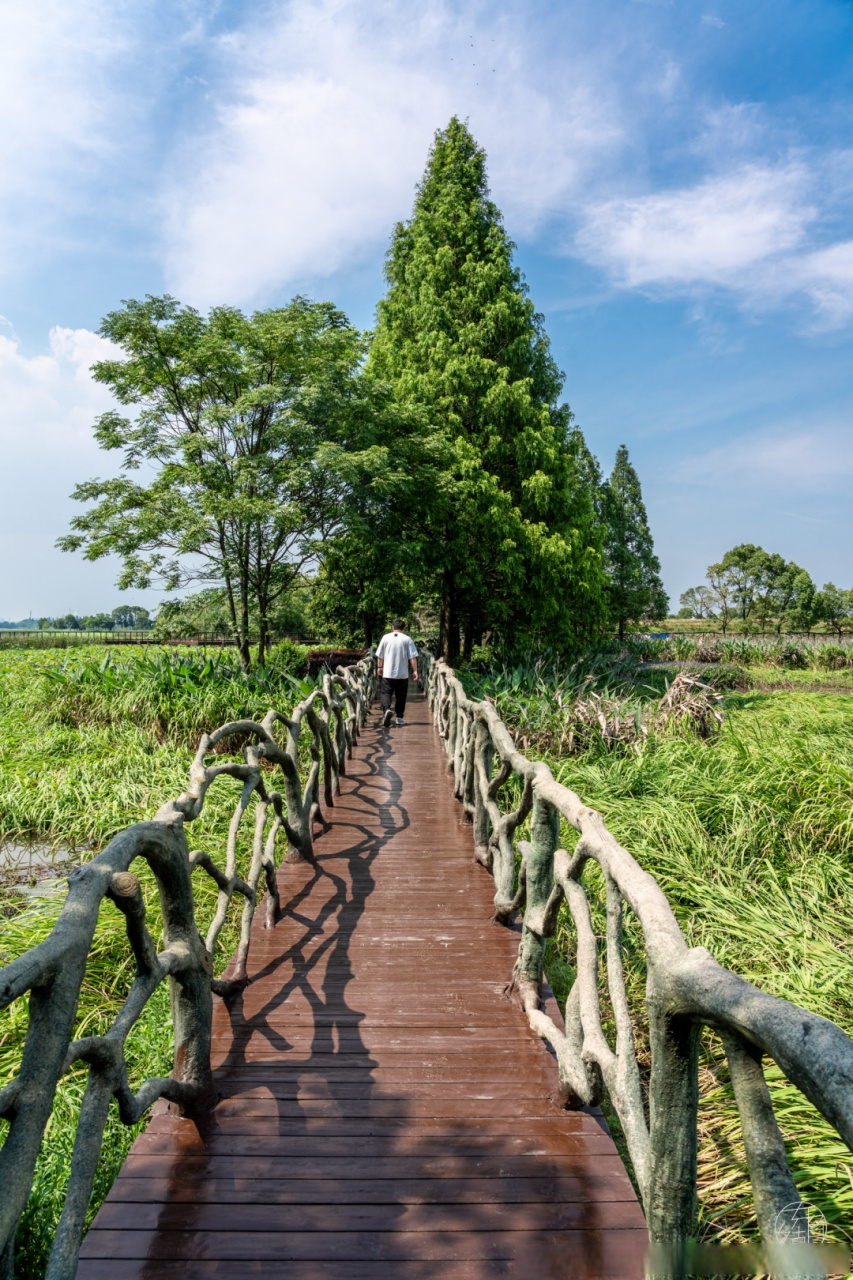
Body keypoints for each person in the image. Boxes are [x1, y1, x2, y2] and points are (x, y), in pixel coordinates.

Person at [375, 619, 419, 727]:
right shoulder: (407, 639)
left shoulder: (385, 638)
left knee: (386, 693)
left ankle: (386, 711)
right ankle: (399, 717)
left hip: (388, 673)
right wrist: (415, 671)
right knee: (401, 696)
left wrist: (380, 667)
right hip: (402, 674)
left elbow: (380, 655)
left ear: (392, 627)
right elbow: (412, 657)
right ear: (403, 629)